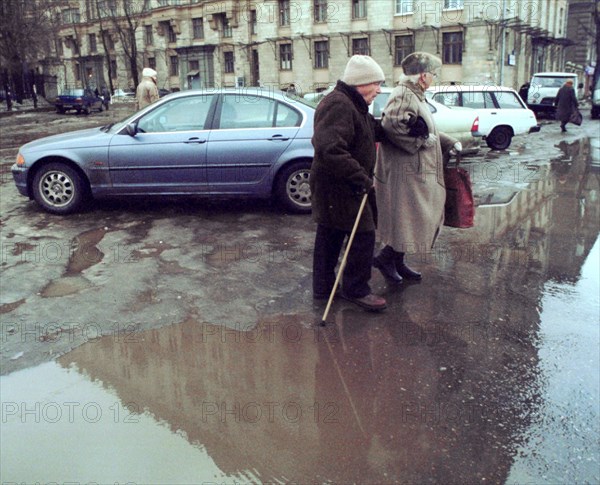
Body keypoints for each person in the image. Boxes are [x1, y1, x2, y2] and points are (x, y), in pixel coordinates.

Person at [374, 52, 461, 283]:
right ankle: (386, 259)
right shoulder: (404, 94)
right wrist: (420, 142)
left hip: (413, 171)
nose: (434, 77)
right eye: (433, 74)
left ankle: (397, 261)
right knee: (406, 218)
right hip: (405, 173)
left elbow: (424, 128)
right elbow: (392, 124)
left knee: (408, 219)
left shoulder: (416, 95)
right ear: (423, 76)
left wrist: (448, 142)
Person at [310, 55, 387, 312]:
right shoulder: (339, 104)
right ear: (360, 82)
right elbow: (329, 149)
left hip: (344, 186)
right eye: (375, 83)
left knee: (330, 234)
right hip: (339, 186)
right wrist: (361, 178)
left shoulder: (354, 104)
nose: (378, 89)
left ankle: (323, 288)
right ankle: (356, 289)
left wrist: (394, 129)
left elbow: (366, 132)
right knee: (362, 235)